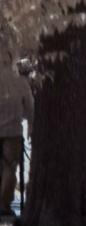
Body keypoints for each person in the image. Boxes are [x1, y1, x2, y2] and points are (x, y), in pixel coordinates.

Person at [0, 42, 28, 221]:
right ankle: (4, 203)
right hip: (13, 130)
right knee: (10, 168)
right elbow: (30, 106)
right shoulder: (20, 81)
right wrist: (31, 124)